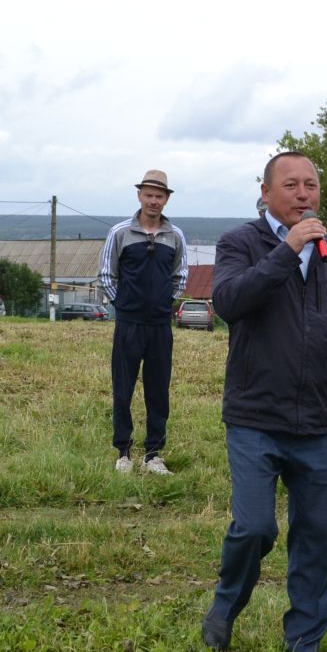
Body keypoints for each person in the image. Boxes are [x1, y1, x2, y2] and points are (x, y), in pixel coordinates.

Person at [200, 152, 327, 652]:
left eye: (312, 186)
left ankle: (304, 642)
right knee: (255, 527)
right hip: (256, 416)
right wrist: (288, 251)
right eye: (291, 185)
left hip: (317, 420)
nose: (304, 194)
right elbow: (230, 301)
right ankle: (224, 607)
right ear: (264, 192)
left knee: (316, 536)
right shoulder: (240, 242)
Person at [97, 169, 189, 475]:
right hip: (129, 323)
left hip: (160, 326)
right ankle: (123, 451)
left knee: (158, 389)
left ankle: (153, 454)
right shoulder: (120, 232)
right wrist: (121, 304)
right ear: (139, 196)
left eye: (159, 195)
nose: (153, 200)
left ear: (166, 199)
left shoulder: (175, 236)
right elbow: (107, 275)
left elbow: (180, 276)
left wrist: (166, 303)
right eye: (148, 194)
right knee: (122, 387)